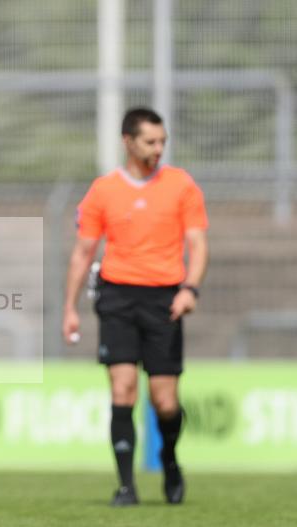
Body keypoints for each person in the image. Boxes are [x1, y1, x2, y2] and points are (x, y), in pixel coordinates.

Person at [62, 107, 209, 506]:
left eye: (162, 141)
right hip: (118, 298)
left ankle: (170, 458)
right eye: (150, 141)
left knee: (165, 400)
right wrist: (70, 307)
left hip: (166, 299)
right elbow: (82, 252)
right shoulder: (104, 190)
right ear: (128, 141)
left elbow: (197, 244)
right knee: (123, 389)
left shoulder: (181, 186)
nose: (158, 148)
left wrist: (189, 289)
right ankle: (126, 486)